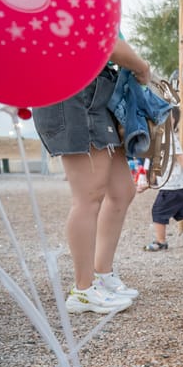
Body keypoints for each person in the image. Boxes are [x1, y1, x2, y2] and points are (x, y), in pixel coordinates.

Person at [32, 37, 149, 314]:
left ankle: (102, 274)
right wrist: (142, 66)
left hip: (96, 92)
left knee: (122, 190)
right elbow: (103, 40)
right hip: (70, 89)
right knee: (88, 196)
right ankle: (83, 290)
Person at [142, 109, 183, 252]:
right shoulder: (160, 138)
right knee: (181, 212)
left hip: (173, 186)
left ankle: (161, 242)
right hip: (175, 186)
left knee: (158, 211)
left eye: (167, 118)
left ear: (174, 121)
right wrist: (148, 184)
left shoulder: (169, 138)